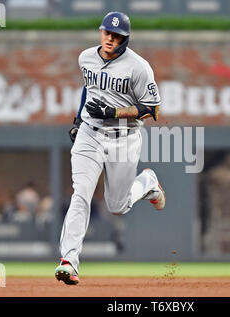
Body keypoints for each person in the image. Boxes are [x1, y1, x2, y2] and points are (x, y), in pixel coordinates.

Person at [55, 12, 165, 286]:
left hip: (123, 137)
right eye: (107, 32)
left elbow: (152, 108)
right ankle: (69, 261)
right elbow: (88, 88)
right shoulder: (86, 58)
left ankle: (148, 182)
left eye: (116, 36)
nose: (110, 39)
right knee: (80, 194)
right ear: (100, 31)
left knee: (117, 206)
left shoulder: (138, 67)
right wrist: (79, 119)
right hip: (89, 135)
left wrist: (113, 111)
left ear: (125, 39)